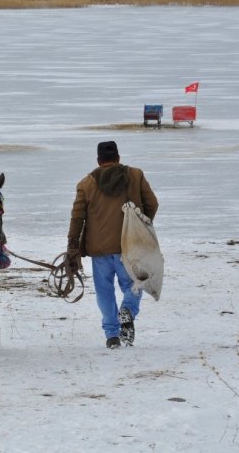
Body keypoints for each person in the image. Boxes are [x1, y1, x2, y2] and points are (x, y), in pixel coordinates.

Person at [66, 141, 158, 349]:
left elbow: (77, 218)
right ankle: (127, 310)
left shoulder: (86, 184)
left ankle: (112, 335)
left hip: (99, 251)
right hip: (130, 246)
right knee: (134, 284)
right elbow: (152, 204)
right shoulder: (135, 176)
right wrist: (141, 226)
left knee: (104, 291)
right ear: (118, 158)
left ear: (99, 161)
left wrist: (72, 247)